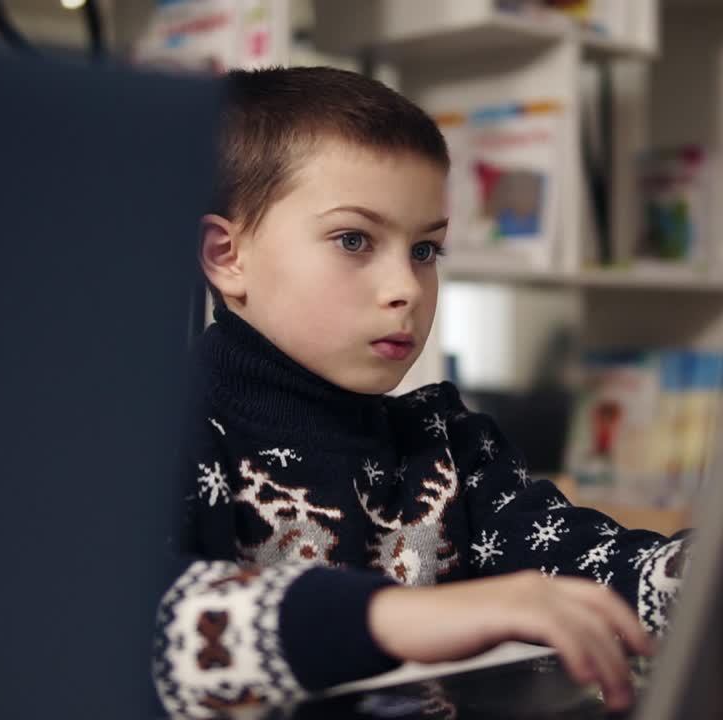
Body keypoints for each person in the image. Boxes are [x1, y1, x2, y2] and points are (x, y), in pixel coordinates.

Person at [153, 66, 689, 718]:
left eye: (426, 250)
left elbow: (596, 567)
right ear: (226, 256)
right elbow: (136, 617)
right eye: (354, 240)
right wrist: (393, 617)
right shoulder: (161, 436)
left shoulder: (450, 444)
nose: (406, 288)